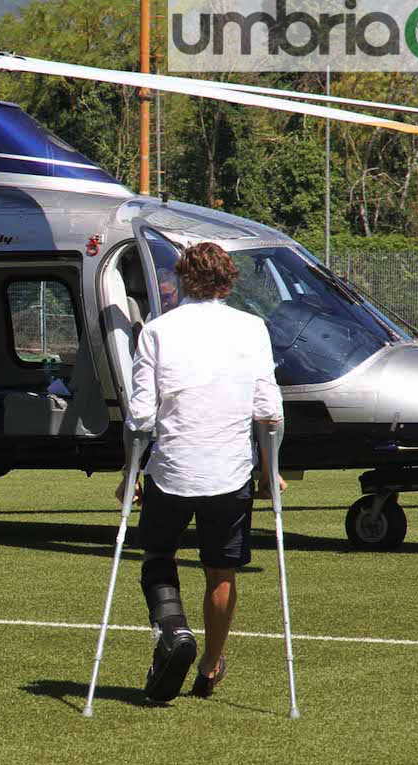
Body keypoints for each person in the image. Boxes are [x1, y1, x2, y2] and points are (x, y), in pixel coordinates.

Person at [126, 241, 283, 702]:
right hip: (229, 471)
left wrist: (129, 471)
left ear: (181, 280)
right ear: (229, 281)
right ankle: (211, 665)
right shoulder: (252, 328)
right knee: (221, 570)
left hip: (172, 469)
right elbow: (269, 411)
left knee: (158, 558)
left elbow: (140, 417)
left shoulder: (156, 331)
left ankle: (174, 632)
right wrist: (271, 470)